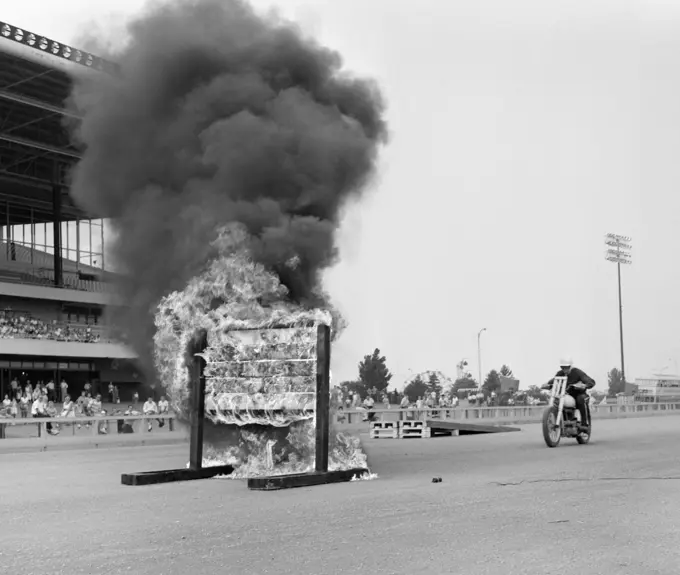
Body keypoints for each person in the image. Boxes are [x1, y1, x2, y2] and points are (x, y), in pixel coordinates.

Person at [543, 357, 595, 432]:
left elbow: (590, 381)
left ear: (570, 366)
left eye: (566, 367)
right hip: (566, 395)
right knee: (557, 400)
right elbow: (554, 380)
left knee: (581, 399)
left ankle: (585, 424)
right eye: (563, 367)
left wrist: (585, 385)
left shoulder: (577, 372)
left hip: (579, 394)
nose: (565, 369)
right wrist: (547, 384)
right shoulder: (560, 374)